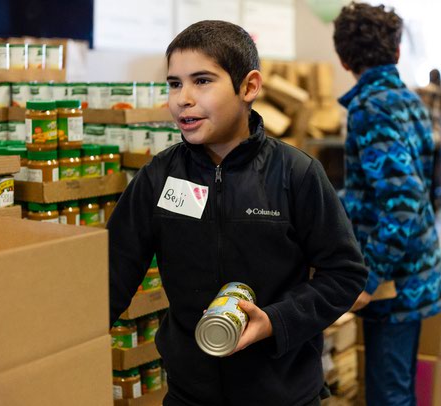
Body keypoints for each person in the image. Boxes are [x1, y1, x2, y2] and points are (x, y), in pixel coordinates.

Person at [107, 20, 368, 406]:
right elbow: (109, 275)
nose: (183, 98)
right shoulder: (157, 178)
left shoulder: (295, 174)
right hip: (189, 395)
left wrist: (276, 321)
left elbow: (345, 274)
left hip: (284, 394)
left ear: (248, 87)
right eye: (174, 84)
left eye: (202, 81)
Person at [333, 4, 441, 405]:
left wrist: (369, 278)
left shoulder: (371, 107)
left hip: (395, 283)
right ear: (397, 52)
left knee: (389, 395)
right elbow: (393, 187)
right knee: (396, 387)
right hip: (414, 271)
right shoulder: (407, 100)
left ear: (343, 58)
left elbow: (401, 202)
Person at [417, 68, 441, 211]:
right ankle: (433, 202)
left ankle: (425, 202)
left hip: (422, 138)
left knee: (423, 172)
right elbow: (439, 117)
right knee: (435, 172)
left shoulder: (422, 91)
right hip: (437, 138)